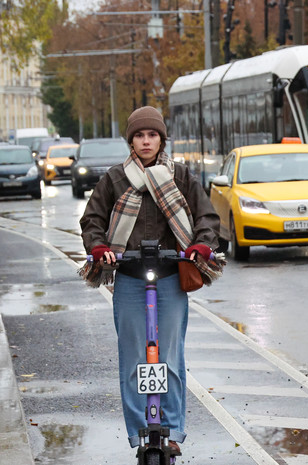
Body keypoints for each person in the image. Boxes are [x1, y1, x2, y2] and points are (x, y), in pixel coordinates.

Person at [78, 106, 220, 455]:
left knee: (169, 358)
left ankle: (171, 432)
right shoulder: (114, 179)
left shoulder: (181, 176)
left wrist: (200, 244)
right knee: (132, 360)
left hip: (170, 277)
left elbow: (207, 216)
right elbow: (92, 220)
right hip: (128, 278)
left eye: (152, 135)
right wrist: (98, 249)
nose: (146, 141)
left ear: (161, 139)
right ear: (131, 141)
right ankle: (138, 429)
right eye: (139, 136)